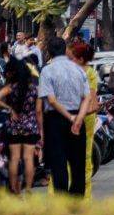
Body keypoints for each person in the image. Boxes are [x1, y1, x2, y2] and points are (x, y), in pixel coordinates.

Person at [38, 36, 90, 196]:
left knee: (58, 163)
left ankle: (62, 201)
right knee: (78, 164)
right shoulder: (78, 69)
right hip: (77, 118)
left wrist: (69, 117)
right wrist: (78, 119)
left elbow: (51, 100)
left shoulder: (47, 70)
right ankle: (77, 200)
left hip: (55, 121)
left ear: (49, 52)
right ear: (65, 50)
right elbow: (87, 98)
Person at [0, 58, 42, 195]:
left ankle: (14, 189)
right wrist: (41, 130)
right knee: (29, 159)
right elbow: (38, 111)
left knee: (14, 159)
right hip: (30, 127)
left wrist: (10, 109)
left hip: (14, 127)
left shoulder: (10, 87)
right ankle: (29, 189)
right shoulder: (36, 89)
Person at [69, 42, 99, 197]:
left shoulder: (87, 74)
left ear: (80, 59)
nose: (70, 60)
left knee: (82, 157)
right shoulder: (89, 73)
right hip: (79, 116)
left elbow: (92, 103)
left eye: (73, 57)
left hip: (79, 117)